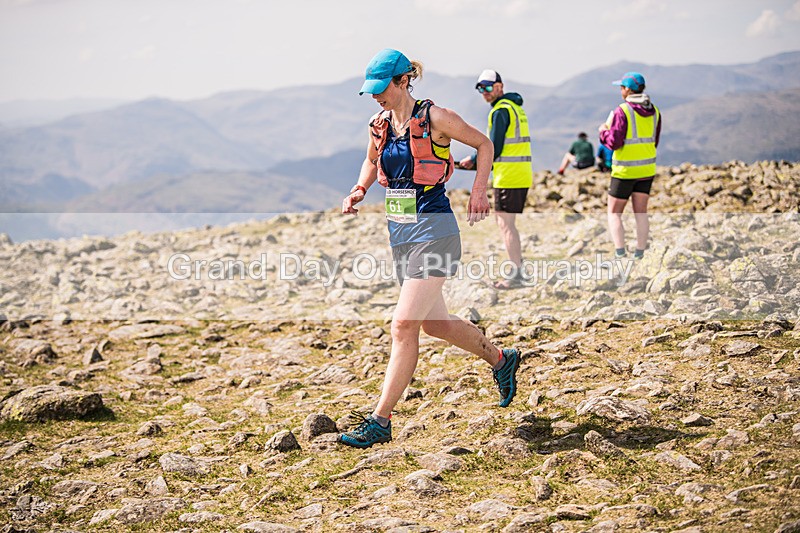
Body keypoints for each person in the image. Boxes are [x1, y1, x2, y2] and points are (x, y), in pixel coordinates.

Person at [339, 49, 520, 448]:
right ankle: (502, 360)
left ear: (403, 81)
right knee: (434, 324)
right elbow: (372, 161)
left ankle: (380, 421)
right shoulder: (379, 123)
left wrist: (478, 192)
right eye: (370, 91)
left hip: (436, 232)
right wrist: (359, 189)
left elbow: (485, 145)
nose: (375, 97)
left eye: (381, 89)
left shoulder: (436, 118)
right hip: (401, 234)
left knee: (403, 326)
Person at [459, 69, 533, 290]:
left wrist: (473, 159)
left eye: (488, 87)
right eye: (481, 89)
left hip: (508, 177)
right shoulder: (516, 108)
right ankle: (518, 265)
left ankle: (516, 274)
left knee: (505, 225)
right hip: (520, 174)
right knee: (509, 224)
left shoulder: (500, 111)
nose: (485, 93)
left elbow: (494, 148)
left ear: (500, 86)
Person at [599, 71, 661, 260]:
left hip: (625, 171)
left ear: (627, 89)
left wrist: (603, 132)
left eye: (621, 87)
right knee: (641, 212)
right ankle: (640, 253)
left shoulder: (622, 111)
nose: (620, 91)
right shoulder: (655, 112)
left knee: (614, 213)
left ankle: (620, 253)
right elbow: (654, 141)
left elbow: (614, 142)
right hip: (647, 169)